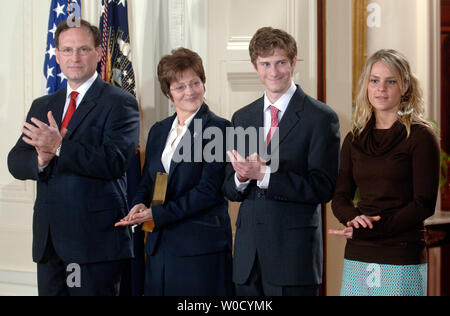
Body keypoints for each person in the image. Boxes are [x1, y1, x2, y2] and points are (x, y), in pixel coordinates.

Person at [7, 19, 140, 296]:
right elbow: (16, 160)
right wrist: (41, 160)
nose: (74, 57)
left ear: (98, 53)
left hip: (94, 244)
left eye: (83, 49)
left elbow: (114, 161)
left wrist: (59, 147)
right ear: (56, 56)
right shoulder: (43, 104)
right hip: (50, 243)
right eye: (67, 50)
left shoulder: (119, 102)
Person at [223, 27, 341, 296]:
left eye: (281, 63)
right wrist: (241, 177)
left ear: (293, 62)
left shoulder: (321, 118)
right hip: (248, 259)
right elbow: (229, 190)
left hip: (293, 258)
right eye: (265, 64)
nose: (273, 72)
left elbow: (323, 187)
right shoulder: (242, 117)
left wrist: (264, 175)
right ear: (255, 66)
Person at [115, 48, 233, 296]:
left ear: (203, 83)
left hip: (199, 248)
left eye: (195, 83)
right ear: (168, 93)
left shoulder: (220, 129)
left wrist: (157, 213)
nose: (190, 92)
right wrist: (138, 204)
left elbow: (208, 191)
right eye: (180, 87)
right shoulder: (159, 130)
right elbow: (149, 180)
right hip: (160, 246)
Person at [329, 49, 440, 296]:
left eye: (391, 81)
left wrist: (370, 230)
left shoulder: (421, 137)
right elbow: (340, 197)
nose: (381, 88)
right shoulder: (354, 138)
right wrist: (352, 219)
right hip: (359, 251)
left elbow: (424, 204)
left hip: (401, 250)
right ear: (366, 86)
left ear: (405, 87)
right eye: (374, 80)